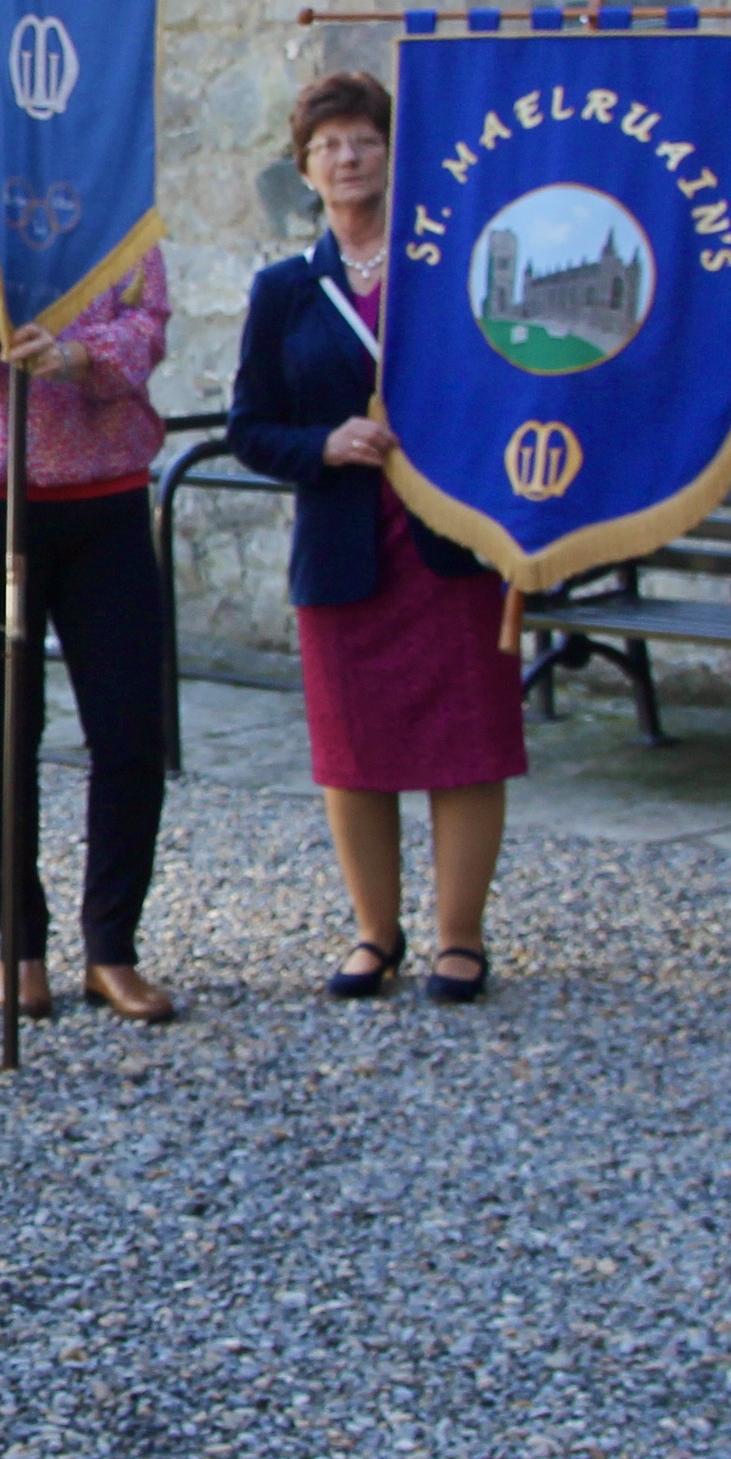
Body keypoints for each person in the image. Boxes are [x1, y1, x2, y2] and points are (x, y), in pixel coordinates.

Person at [227, 73, 520, 1003]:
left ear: (395, 156)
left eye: (364, 141)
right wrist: (323, 442)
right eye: (327, 146)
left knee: (465, 737)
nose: (347, 158)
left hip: (448, 539)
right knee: (354, 748)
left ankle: (458, 939)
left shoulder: (454, 267)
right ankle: (373, 934)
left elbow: (509, 388)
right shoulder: (283, 290)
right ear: (305, 168)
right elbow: (248, 426)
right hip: (344, 544)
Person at [0, 194, 178, 1023]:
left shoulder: (116, 206)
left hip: (102, 493)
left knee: (129, 726)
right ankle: (17, 943)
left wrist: (77, 356)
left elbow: (146, 328)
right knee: (0, 728)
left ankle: (111, 948)